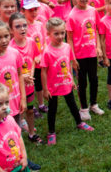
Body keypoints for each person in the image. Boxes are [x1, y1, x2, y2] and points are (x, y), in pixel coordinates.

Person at [41, 17, 94, 146]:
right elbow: (43, 71)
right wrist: (45, 89)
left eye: (62, 33)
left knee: (72, 104)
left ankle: (79, 122)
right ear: (48, 34)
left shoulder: (66, 47)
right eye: (56, 33)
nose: (60, 36)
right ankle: (51, 132)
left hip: (66, 83)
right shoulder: (47, 52)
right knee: (52, 109)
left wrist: (71, 80)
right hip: (53, 86)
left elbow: (68, 63)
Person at [66, 0, 104, 121]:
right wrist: (73, 58)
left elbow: (96, 30)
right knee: (82, 82)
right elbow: (69, 39)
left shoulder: (93, 11)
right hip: (80, 55)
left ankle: (94, 104)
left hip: (92, 53)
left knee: (93, 79)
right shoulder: (72, 15)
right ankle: (83, 108)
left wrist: (98, 47)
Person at [7, 13, 43, 145]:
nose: (22, 29)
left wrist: (31, 75)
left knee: (29, 109)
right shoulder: (10, 48)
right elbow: (10, 70)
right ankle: (16, 136)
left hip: (29, 83)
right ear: (11, 30)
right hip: (16, 86)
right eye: (18, 26)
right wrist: (23, 77)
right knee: (17, 112)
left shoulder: (31, 42)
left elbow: (34, 58)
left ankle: (32, 133)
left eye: (24, 25)